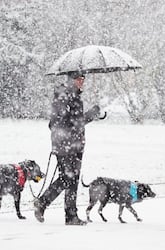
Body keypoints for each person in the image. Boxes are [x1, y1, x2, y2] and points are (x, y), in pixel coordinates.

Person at [34, 72, 104, 225]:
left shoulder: (75, 97)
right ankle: (43, 203)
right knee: (68, 178)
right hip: (65, 145)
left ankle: (71, 216)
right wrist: (91, 114)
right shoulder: (64, 96)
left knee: (73, 180)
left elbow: (75, 122)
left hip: (76, 145)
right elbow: (66, 123)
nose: (81, 82)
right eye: (79, 79)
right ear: (71, 80)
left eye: (83, 79)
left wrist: (91, 115)